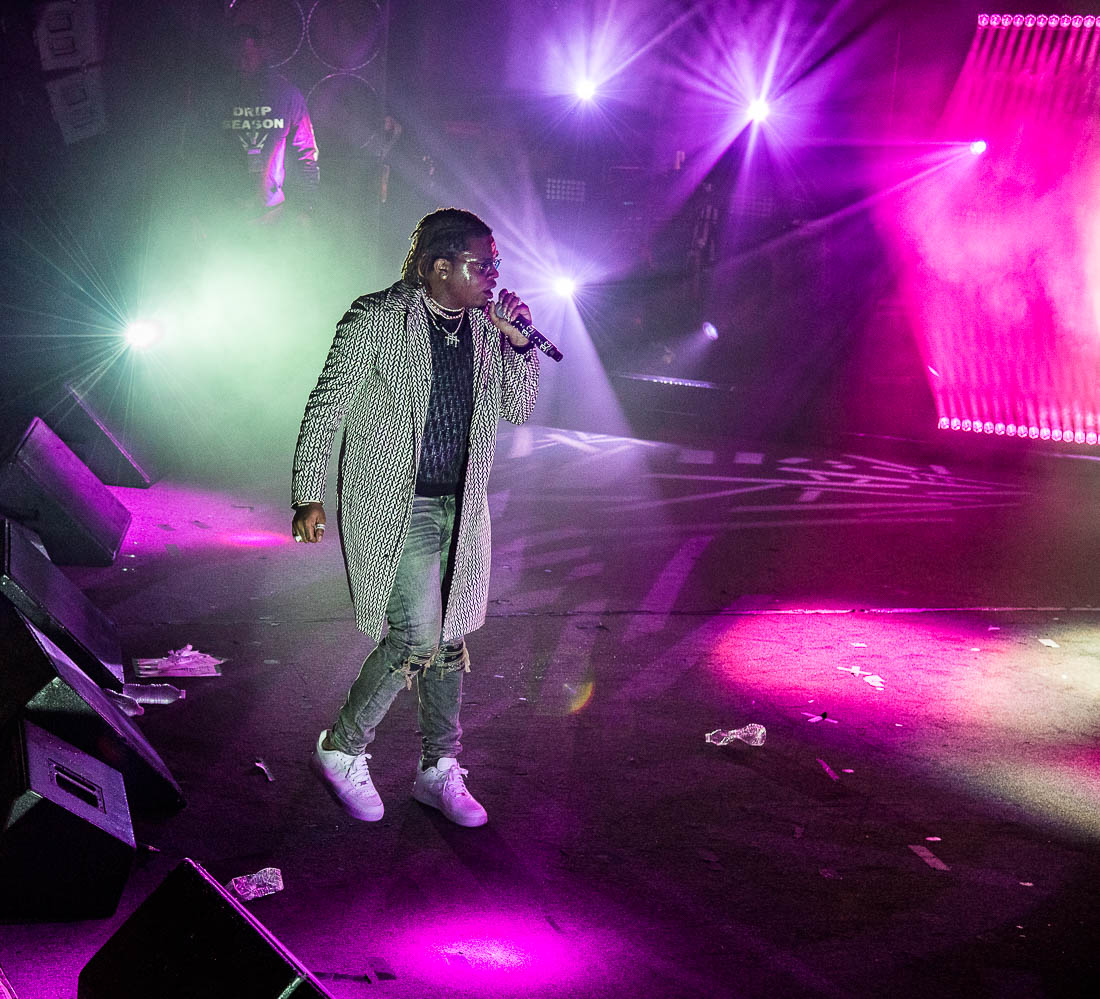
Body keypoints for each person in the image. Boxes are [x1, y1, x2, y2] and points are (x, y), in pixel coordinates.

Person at [291, 208, 541, 827]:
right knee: (414, 638)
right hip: (397, 504)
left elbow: (517, 409)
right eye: (482, 264)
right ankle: (342, 749)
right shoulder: (376, 319)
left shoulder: (484, 330)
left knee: (450, 638)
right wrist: (308, 492)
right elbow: (327, 406)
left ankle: (438, 770)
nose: (493, 276)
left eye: (495, 265)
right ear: (438, 267)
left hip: (463, 504)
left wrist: (519, 343)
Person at [219, 22, 319, 225]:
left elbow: (307, 154)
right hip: (224, 214)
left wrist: (305, 210)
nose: (242, 63)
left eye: (247, 56)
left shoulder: (287, 96)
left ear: (260, 53)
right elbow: (198, 152)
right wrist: (196, 214)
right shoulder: (218, 97)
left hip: (272, 216)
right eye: (238, 57)